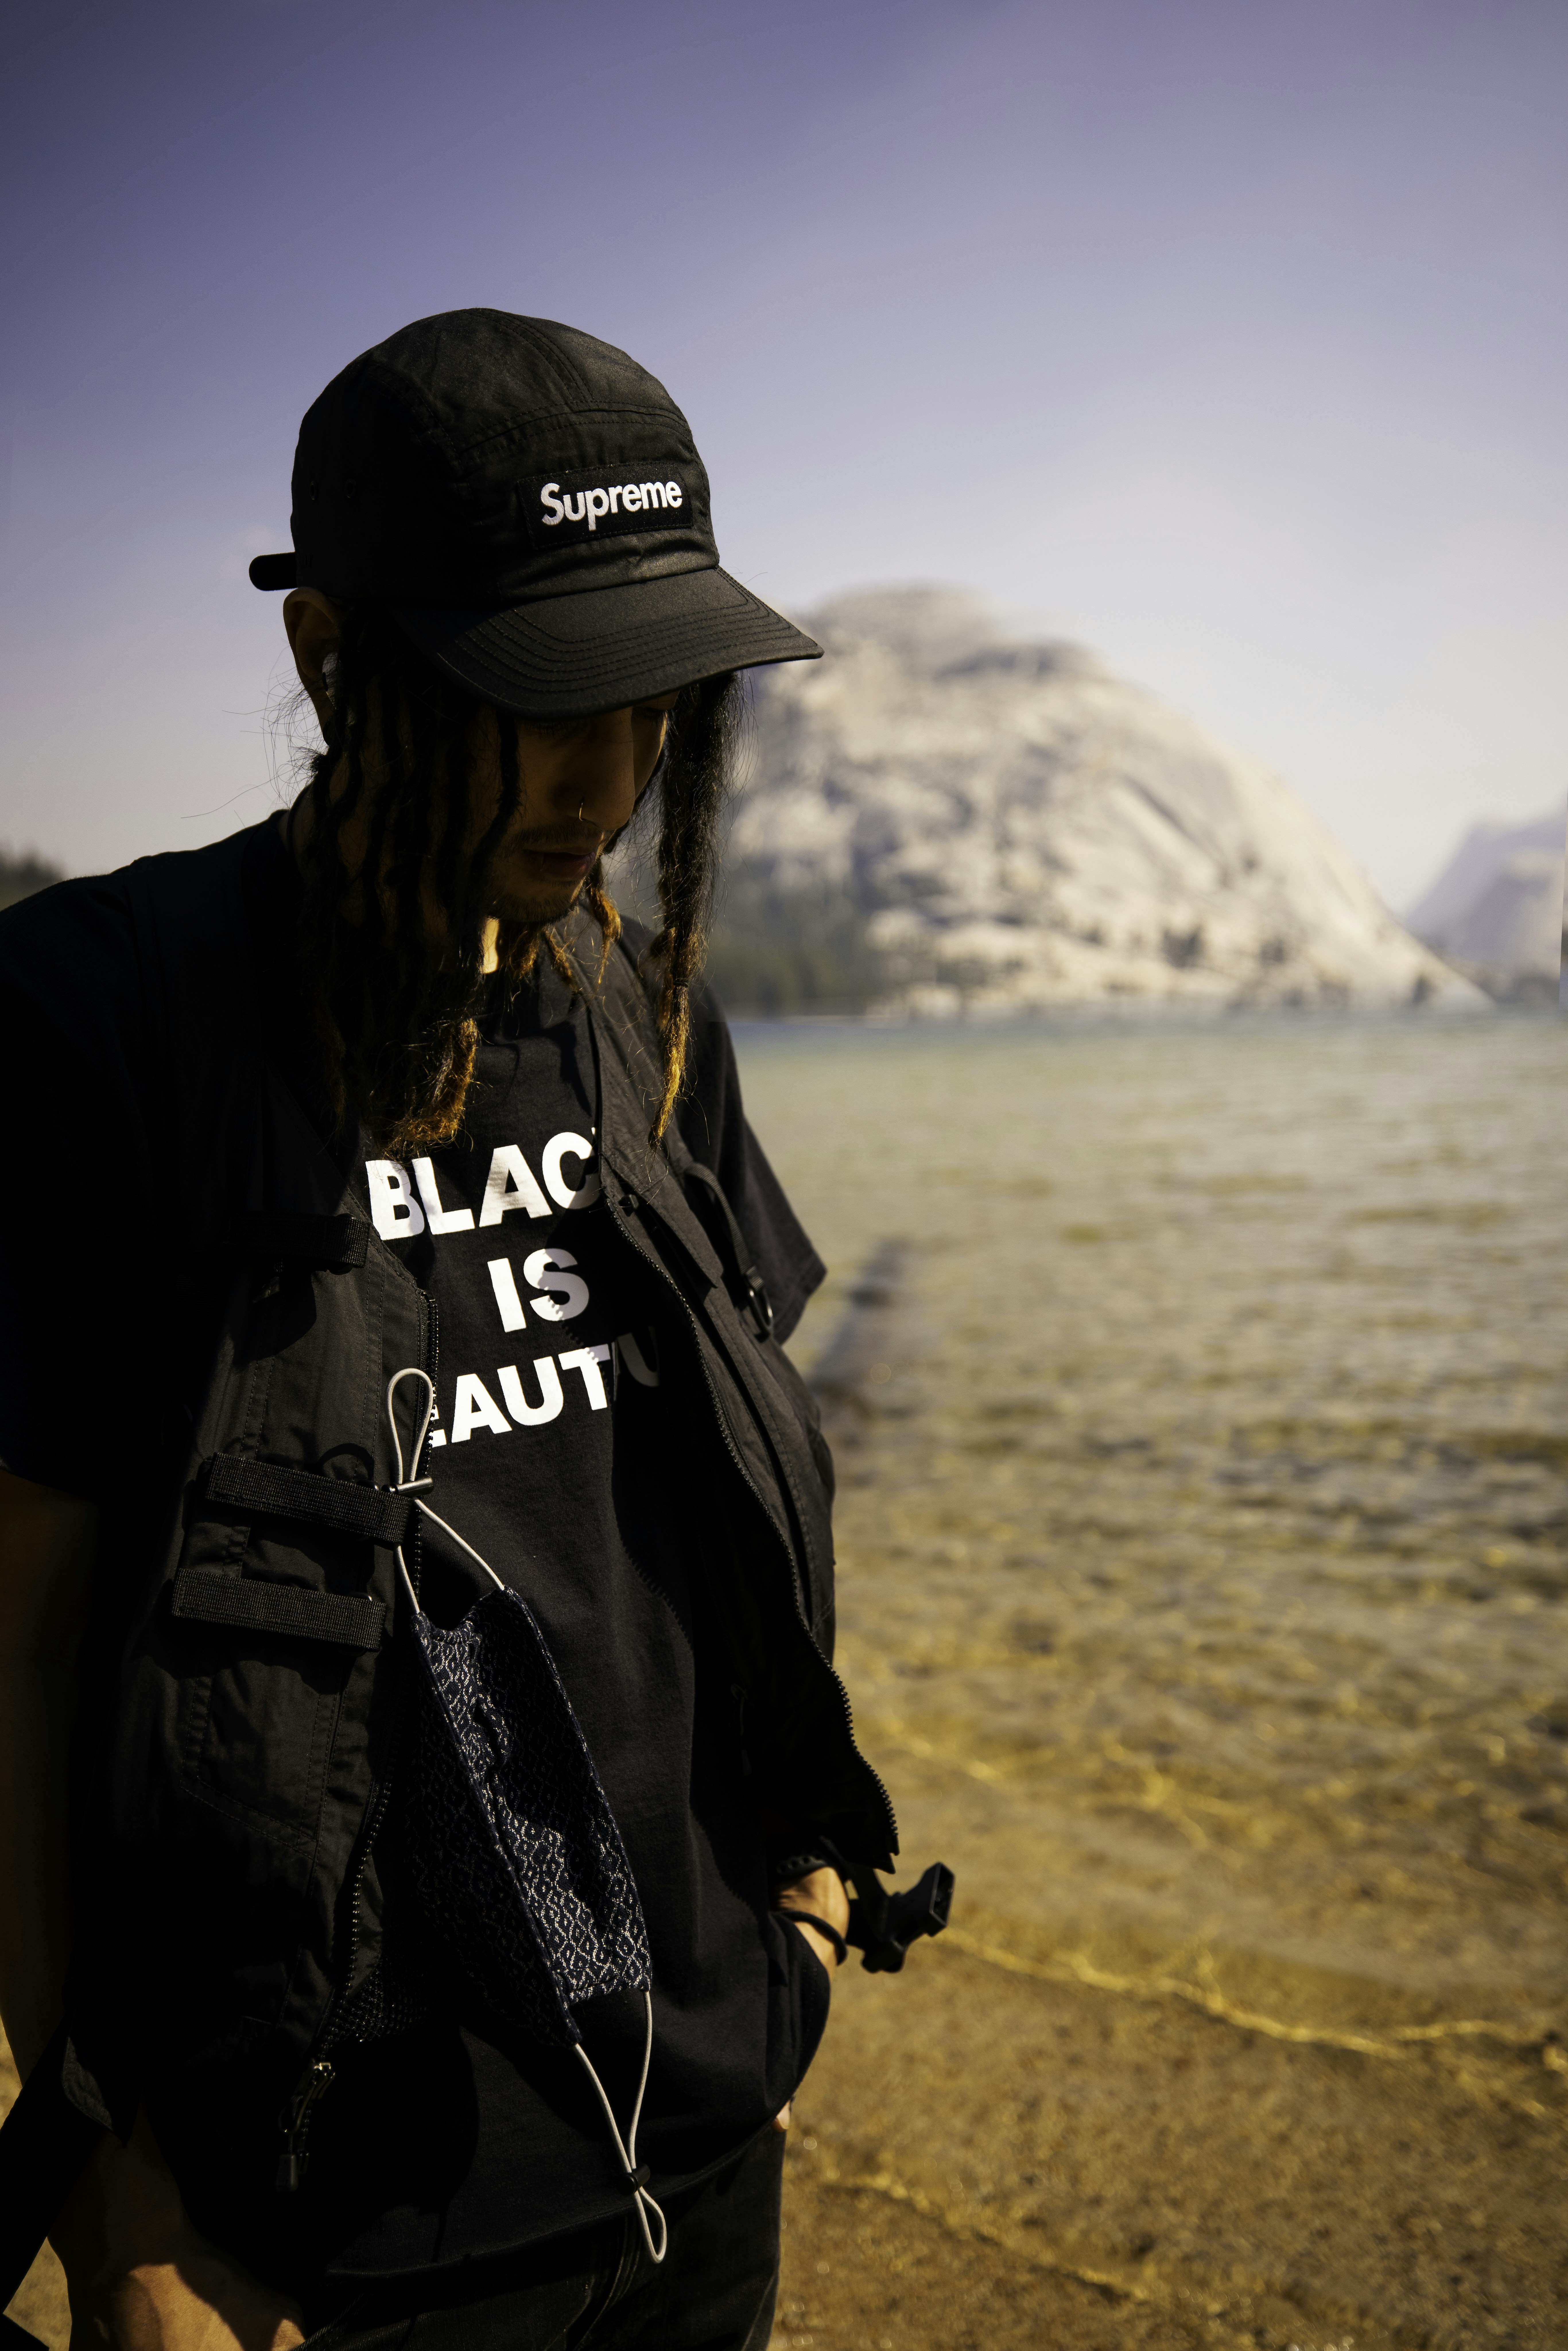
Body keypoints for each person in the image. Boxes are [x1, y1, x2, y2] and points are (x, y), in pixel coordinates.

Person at [0, 310, 901, 2351]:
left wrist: (800, 1903)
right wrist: (107, 2195)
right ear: (331, 657)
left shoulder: (639, 1008)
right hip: (313, 2224)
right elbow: (19, 1644)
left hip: (706, 2143)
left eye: (655, 700)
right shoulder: (102, 1020)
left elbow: (716, 1521)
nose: (613, 776)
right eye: (538, 700)